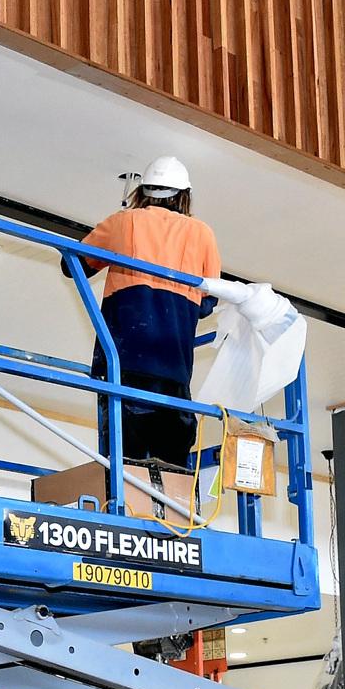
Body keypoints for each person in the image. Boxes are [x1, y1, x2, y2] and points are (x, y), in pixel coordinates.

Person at [80, 156, 219, 476]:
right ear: (184, 196)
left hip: (123, 365)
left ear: (142, 191)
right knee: (171, 470)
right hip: (174, 370)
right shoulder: (202, 234)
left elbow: (74, 265)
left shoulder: (122, 222)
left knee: (123, 466)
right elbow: (206, 305)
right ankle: (167, 517)